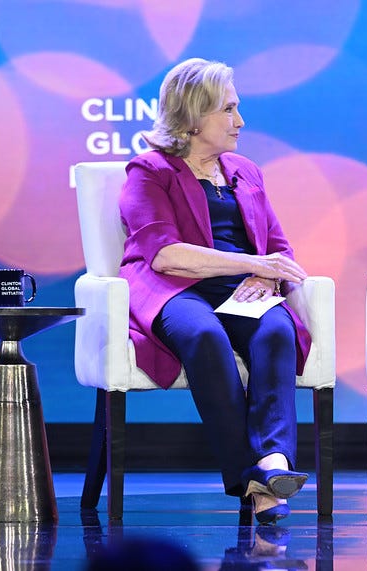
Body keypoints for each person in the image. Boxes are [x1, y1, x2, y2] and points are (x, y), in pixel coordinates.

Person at [119, 58, 311, 525]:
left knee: (274, 331)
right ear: (192, 115)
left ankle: (273, 462)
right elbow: (164, 255)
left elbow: (277, 246)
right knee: (204, 335)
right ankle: (251, 478)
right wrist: (252, 263)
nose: (239, 122)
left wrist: (268, 275)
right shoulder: (150, 171)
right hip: (173, 289)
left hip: (242, 287)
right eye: (228, 110)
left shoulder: (244, 170)